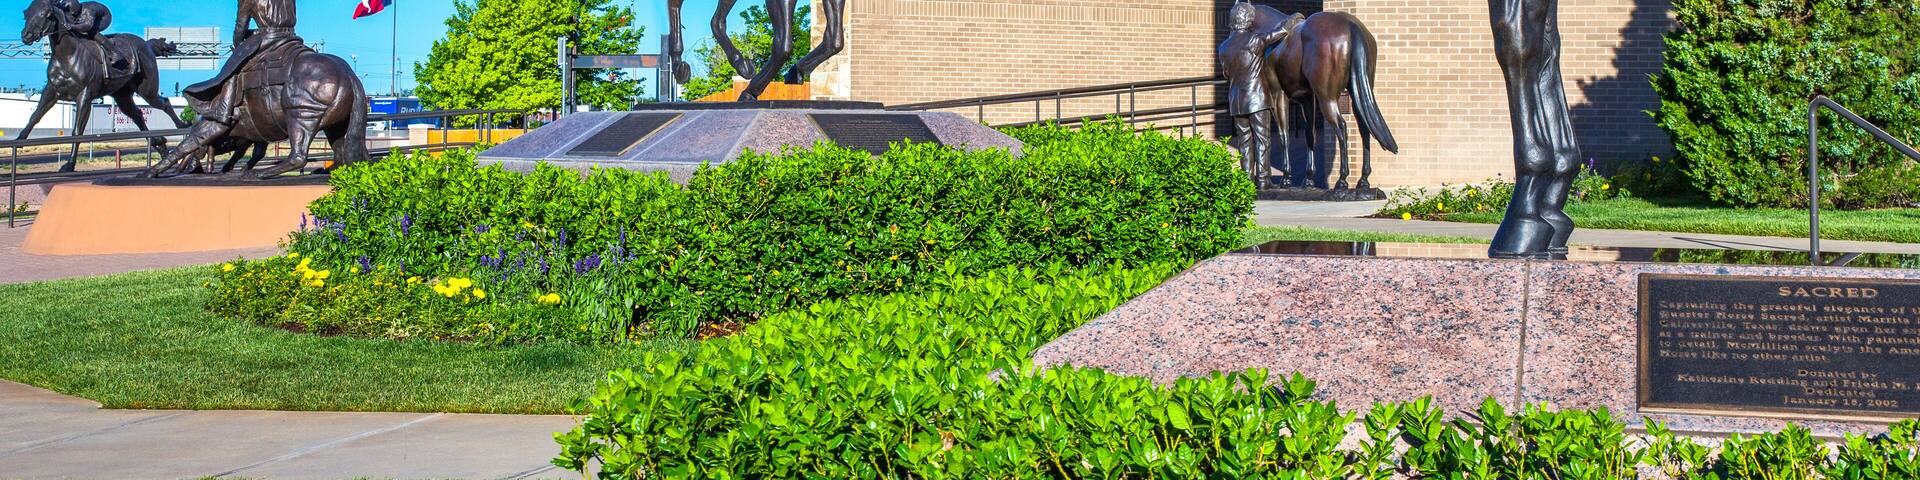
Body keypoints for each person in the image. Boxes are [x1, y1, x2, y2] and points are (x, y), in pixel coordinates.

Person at [1217, 2, 1299, 188]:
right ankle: (1263, 180)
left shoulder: (1223, 47)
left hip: (1236, 101)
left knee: (1244, 142)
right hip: (1257, 99)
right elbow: (1280, 33)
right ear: (1249, 20)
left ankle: (1246, 180)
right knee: (1262, 138)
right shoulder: (1255, 40)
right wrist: (1293, 18)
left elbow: (1226, 75)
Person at [182, 0, 302, 127]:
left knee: (233, 69)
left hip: (268, 40)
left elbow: (241, 27)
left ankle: (223, 111)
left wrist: (237, 44)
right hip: (291, 39)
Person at [55, 0, 127, 77]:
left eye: (73, 14)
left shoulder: (89, 10)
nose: (72, 15)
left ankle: (114, 52)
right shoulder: (72, 9)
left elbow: (88, 25)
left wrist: (73, 26)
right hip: (86, 17)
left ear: (75, 9)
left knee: (91, 31)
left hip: (103, 18)